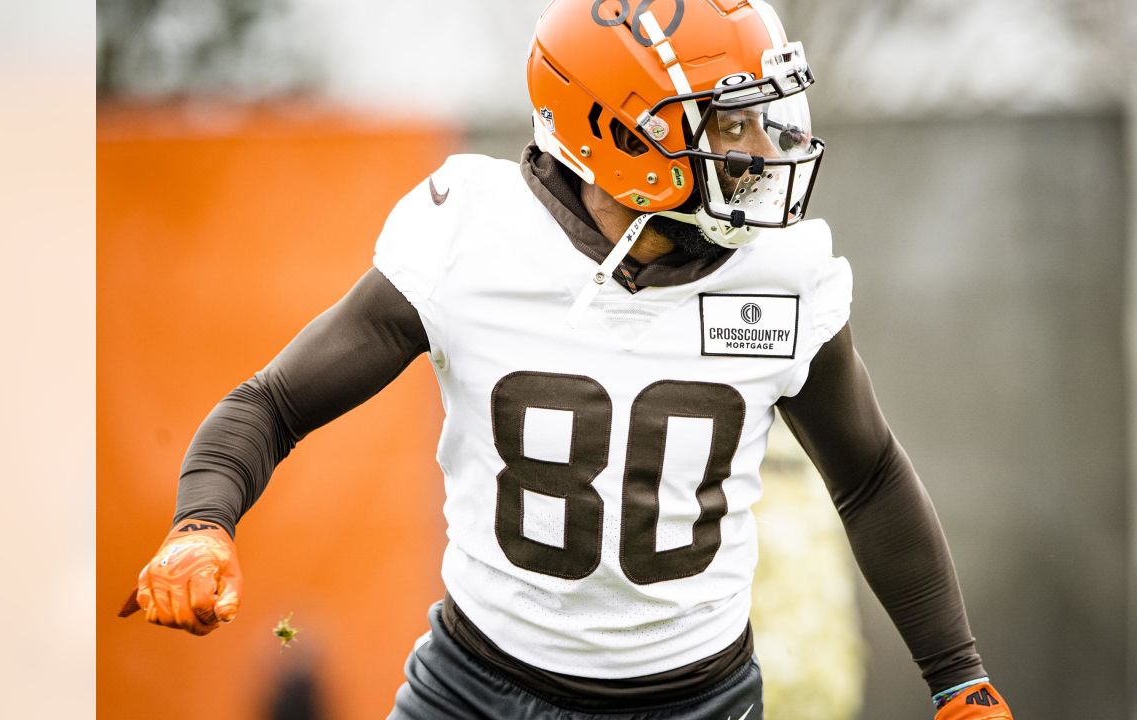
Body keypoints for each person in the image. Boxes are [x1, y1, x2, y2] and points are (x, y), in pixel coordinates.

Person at [121, 1, 1014, 718]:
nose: (760, 149)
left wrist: (958, 679)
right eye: (727, 124)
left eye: (758, 118)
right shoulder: (471, 238)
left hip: (695, 699)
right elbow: (270, 403)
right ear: (619, 137)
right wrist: (202, 521)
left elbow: (869, 476)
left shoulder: (783, 274)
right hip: (479, 684)